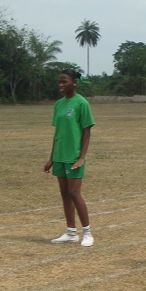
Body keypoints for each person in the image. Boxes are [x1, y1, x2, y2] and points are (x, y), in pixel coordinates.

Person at [44, 69, 96, 247]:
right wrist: (51, 158)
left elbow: (87, 131)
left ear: (74, 82)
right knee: (65, 195)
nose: (61, 85)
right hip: (60, 155)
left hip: (73, 156)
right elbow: (57, 133)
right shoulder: (58, 104)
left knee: (75, 193)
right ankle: (71, 232)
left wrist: (82, 157)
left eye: (64, 81)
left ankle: (87, 233)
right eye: (59, 81)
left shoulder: (82, 103)